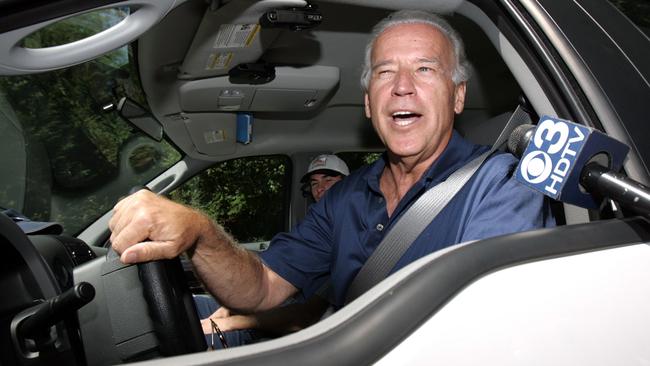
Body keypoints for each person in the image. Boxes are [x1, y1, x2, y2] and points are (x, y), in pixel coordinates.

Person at [110, 9, 554, 326]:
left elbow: (489, 328)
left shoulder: (503, 185)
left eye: (424, 69)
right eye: (384, 73)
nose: (402, 87)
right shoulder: (343, 199)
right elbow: (261, 288)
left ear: (457, 96)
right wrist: (199, 232)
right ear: (368, 102)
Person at [195, 154, 349, 347]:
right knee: (186, 306)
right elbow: (270, 278)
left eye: (329, 179)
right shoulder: (312, 233)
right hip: (254, 311)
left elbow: (302, 317)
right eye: (314, 182)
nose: (320, 188)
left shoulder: (347, 242)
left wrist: (227, 323)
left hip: (265, 333)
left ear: (348, 183)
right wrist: (226, 309)